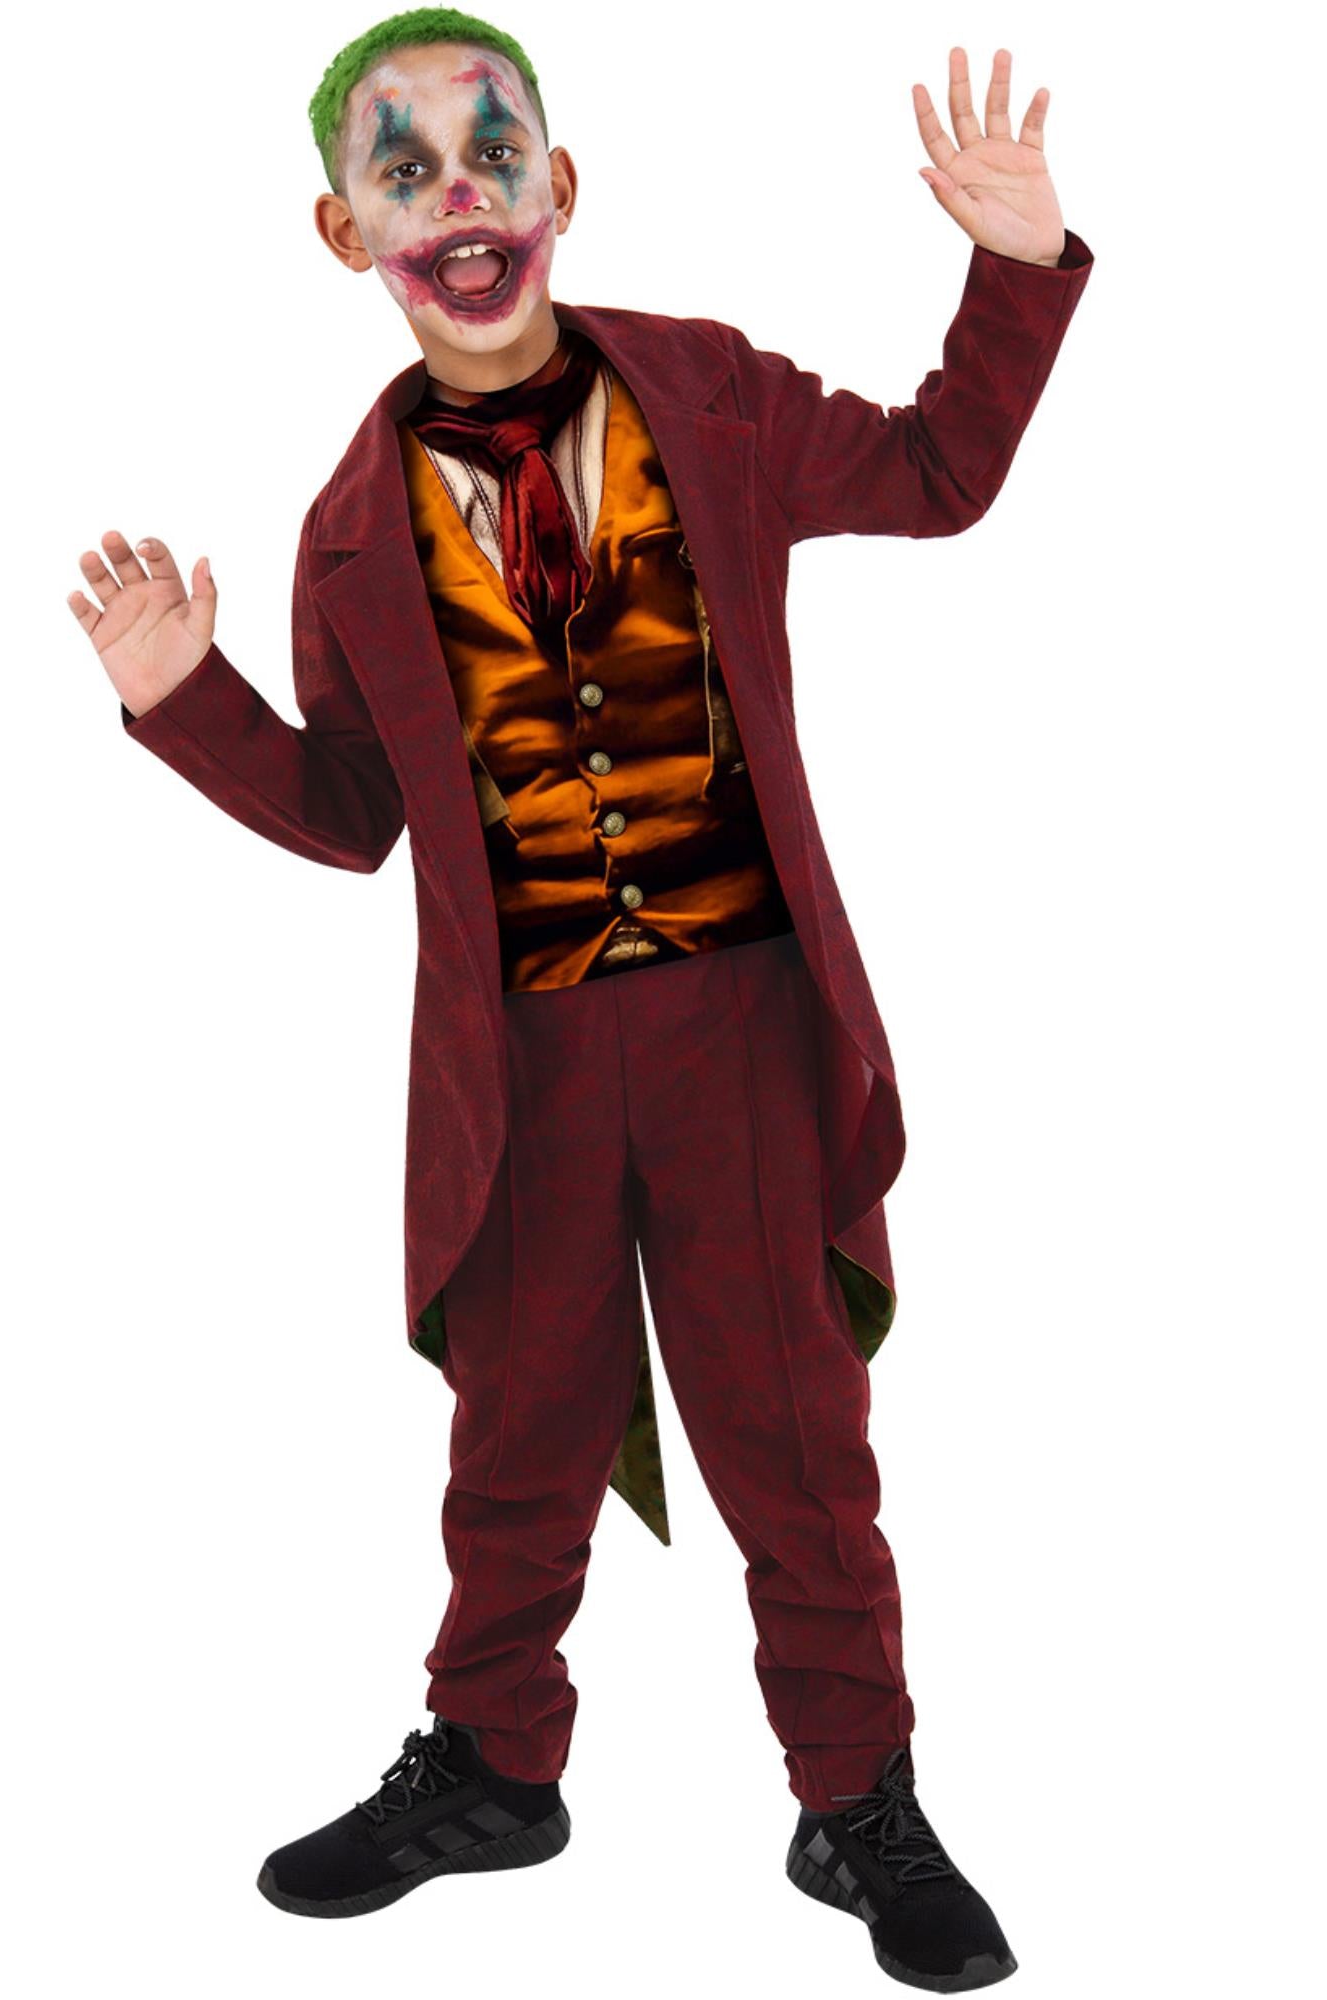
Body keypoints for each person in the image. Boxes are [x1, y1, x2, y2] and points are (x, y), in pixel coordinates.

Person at [66, 12, 1093, 1987]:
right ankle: (494, 1763)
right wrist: (184, 701)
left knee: (792, 1430)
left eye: (493, 151)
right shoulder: (347, 532)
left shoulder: (708, 393)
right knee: (517, 1430)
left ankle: (856, 1797)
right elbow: (354, 815)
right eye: (404, 168)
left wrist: (1016, 265)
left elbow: (937, 471)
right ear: (343, 229)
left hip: (738, 1024)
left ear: (561, 187)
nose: (458, 194)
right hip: (517, 1058)